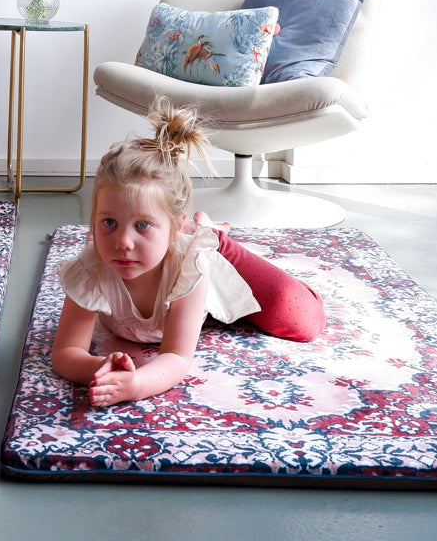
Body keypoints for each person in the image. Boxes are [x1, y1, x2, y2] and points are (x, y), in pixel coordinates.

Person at [51, 98, 325, 406]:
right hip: (169, 244)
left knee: (301, 319)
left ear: (173, 226)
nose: (123, 242)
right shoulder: (92, 268)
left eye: (142, 225)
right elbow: (64, 352)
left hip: (195, 264)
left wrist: (138, 383)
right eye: (109, 222)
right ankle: (185, 226)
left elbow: (177, 356)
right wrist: (100, 369)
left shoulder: (190, 265)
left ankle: (210, 235)